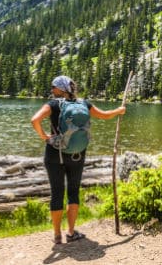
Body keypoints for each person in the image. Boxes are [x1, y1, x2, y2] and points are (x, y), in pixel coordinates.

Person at [31, 75, 126, 244]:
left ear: (61, 89)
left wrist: (45, 137)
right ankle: (71, 232)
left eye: (54, 87)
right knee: (73, 192)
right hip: (77, 155)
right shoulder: (84, 103)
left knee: (57, 193)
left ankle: (57, 235)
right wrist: (119, 110)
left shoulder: (54, 104)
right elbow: (104, 115)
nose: (52, 90)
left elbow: (35, 120)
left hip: (55, 155)